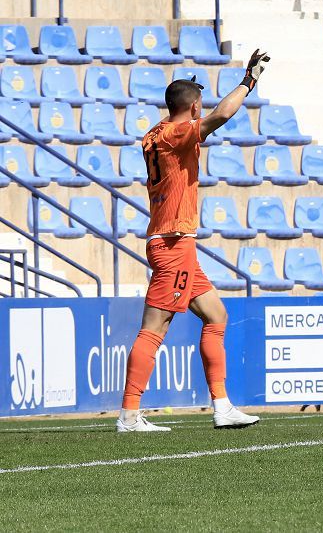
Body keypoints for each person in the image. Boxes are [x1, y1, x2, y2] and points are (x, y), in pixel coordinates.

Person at [116, 49, 271, 433]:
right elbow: (222, 116)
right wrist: (248, 81)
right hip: (173, 243)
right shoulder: (176, 134)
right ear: (195, 105)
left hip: (175, 242)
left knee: (216, 316)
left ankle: (222, 406)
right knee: (154, 328)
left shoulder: (155, 132)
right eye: (200, 102)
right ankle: (129, 415)